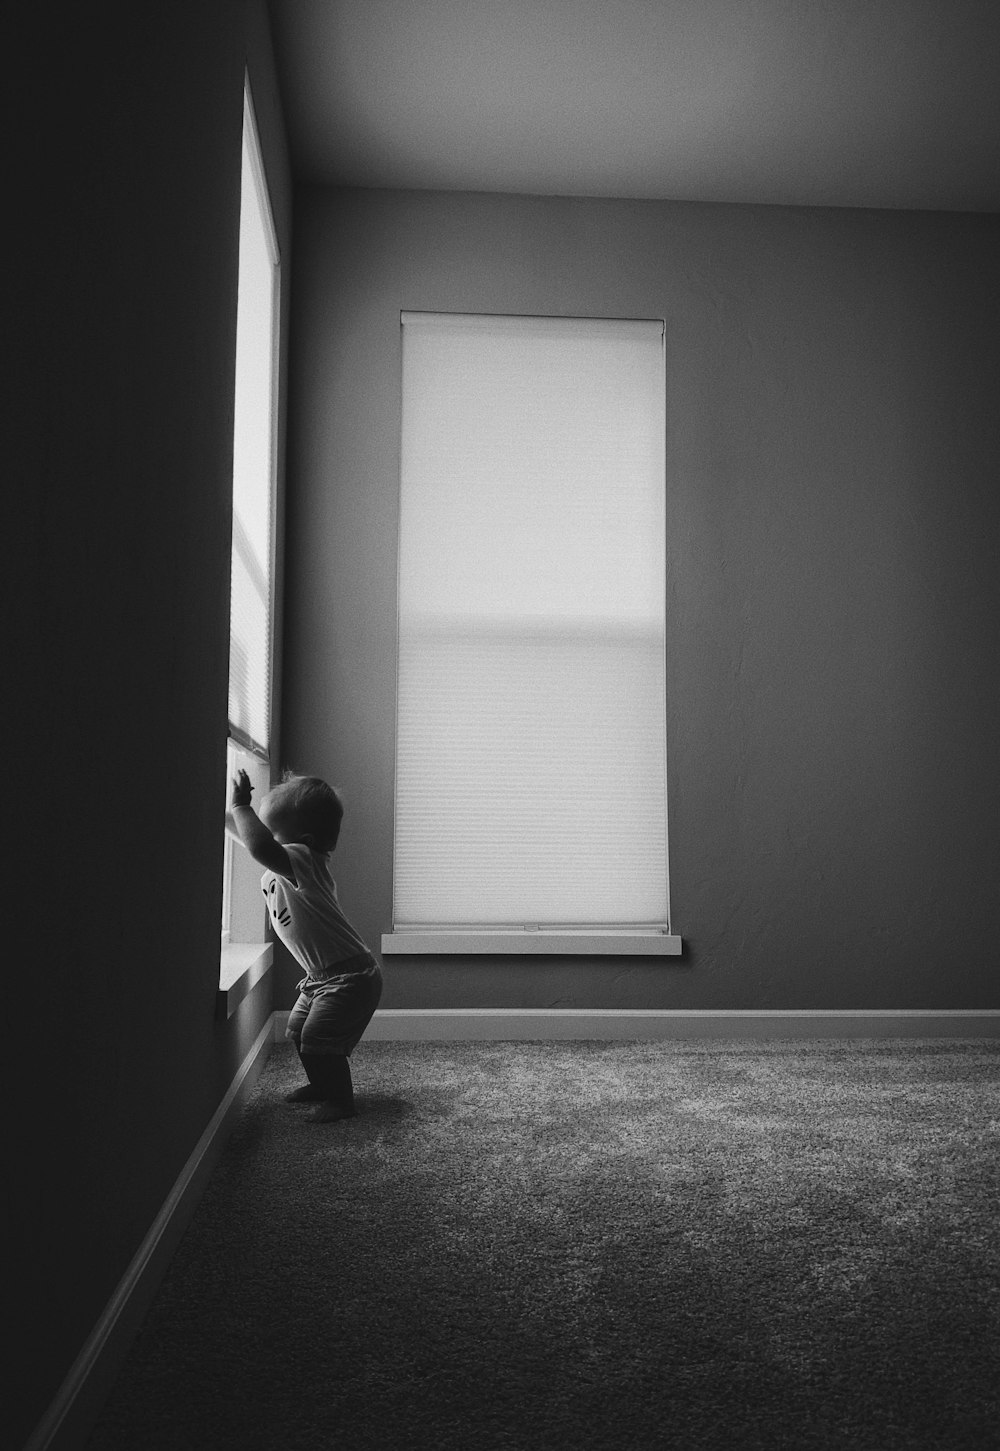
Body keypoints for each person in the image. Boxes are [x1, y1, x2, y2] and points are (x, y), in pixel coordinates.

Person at [226, 768, 383, 1122]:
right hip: (322, 976)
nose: (265, 837)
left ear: (304, 839)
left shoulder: (304, 860)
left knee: (319, 1038)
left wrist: (241, 806)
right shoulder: (289, 859)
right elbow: (252, 839)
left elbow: (258, 845)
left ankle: (342, 1101)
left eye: (274, 832)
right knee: (297, 1032)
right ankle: (321, 1084)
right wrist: (228, 812)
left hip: (349, 976)